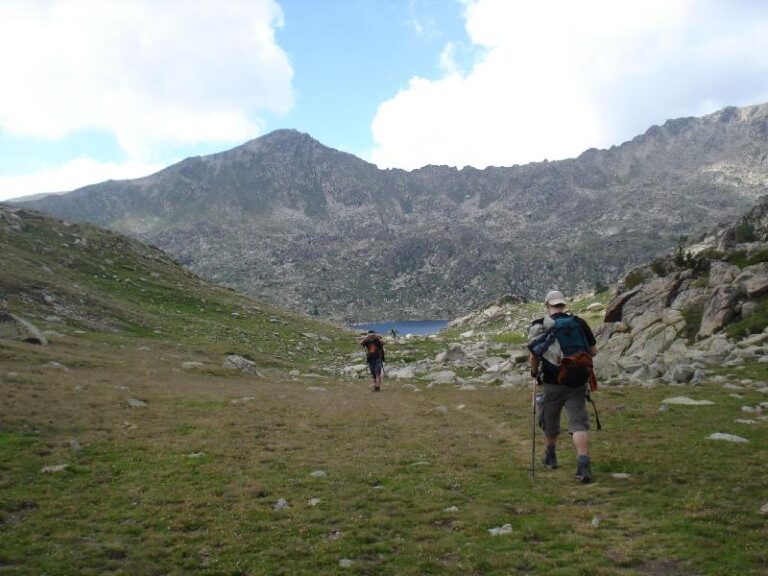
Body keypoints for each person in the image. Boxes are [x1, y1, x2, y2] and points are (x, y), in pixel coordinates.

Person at [528, 290, 597, 483]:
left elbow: (534, 354)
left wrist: (534, 373)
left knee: (550, 420)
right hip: (577, 381)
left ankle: (550, 457)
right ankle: (583, 466)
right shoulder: (579, 323)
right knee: (578, 423)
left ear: (547, 305)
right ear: (563, 305)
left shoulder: (541, 326)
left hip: (552, 382)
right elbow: (593, 351)